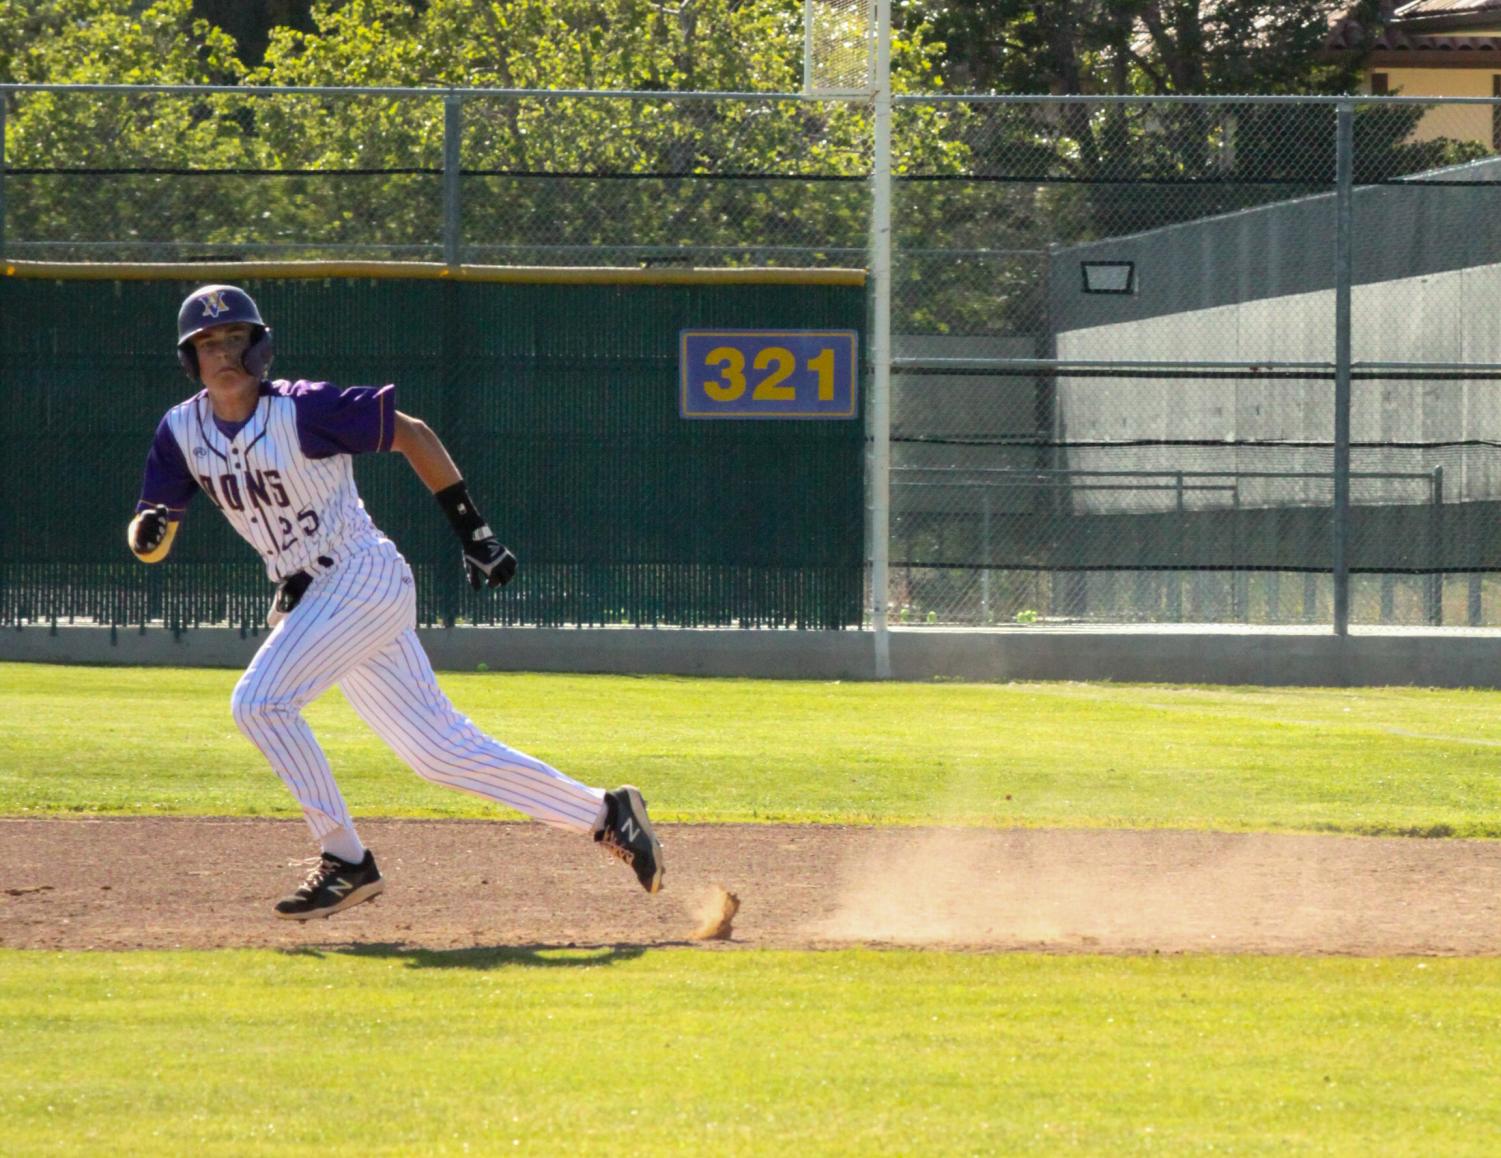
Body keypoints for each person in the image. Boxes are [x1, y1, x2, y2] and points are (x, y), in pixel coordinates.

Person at [127, 284, 664, 920]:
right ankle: (608, 814)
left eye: (235, 338)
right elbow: (152, 530)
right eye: (208, 343)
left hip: (360, 575)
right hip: (316, 598)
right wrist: (149, 534)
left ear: (260, 346)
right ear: (190, 358)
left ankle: (346, 861)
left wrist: (475, 533)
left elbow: (412, 434)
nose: (222, 352)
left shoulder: (304, 409)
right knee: (439, 752)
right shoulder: (180, 430)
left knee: (259, 702)